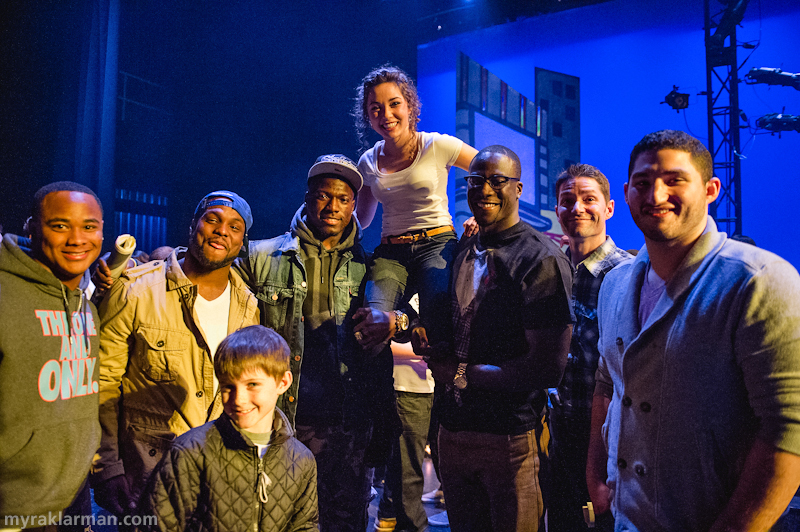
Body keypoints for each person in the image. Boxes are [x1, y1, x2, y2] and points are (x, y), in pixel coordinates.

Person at [586, 130, 800, 531]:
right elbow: (606, 384)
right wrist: (595, 478)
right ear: (627, 192)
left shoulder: (758, 281)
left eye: (674, 180)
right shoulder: (614, 285)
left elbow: (789, 428)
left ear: (711, 189)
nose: (656, 195)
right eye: (643, 183)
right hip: (626, 518)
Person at [235, 154, 406, 532]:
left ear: (353, 207)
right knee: (276, 521)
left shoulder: (375, 266)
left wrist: (397, 319)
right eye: (323, 196)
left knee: (343, 523)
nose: (332, 206)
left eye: (343, 199)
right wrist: (167, 260)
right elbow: (207, 277)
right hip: (281, 420)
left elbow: (414, 318)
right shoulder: (261, 256)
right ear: (308, 198)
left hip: (348, 424)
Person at [415, 146, 574, 532]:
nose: (485, 188)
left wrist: (460, 372)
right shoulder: (464, 248)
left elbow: (547, 368)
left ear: (518, 189)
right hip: (453, 431)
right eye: (475, 180)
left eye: (497, 180)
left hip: (509, 439)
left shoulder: (541, 258)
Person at [93, 191, 260, 519]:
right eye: (212, 219)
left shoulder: (248, 307)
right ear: (192, 226)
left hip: (216, 478)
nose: (221, 230)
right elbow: (103, 384)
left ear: (242, 242)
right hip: (146, 477)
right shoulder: (135, 292)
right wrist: (108, 468)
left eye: (234, 226)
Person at [138, 325, 318, 531]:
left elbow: (304, 526)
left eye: (252, 384)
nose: (238, 399)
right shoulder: (190, 453)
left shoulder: (302, 460)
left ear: (283, 382)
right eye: (228, 387)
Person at [0, 182, 104, 529]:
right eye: (60, 225)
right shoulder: (5, 293)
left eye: (89, 226)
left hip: (73, 497)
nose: (77, 239)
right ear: (31, 227)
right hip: (14, 506)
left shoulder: (85, 305)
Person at [353, 65, 478, 350]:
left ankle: (442, 383)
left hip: (436, 244)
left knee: (439, 330)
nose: (386, 115)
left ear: (410, 106)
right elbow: (362, 219)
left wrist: (481, 216)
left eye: (394, 104)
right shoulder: (367, 163)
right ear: (368, 117)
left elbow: (489, 165)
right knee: (369, 328)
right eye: (375, 108)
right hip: (391, 252)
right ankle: (379, 393)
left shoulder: (437, 145)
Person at [547, 164, 631, 532]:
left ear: (609, 208)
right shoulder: (553, 271)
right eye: (567, 201)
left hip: (610, 437)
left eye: (588, 199)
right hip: (559, 429)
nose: (577, 208)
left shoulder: (627, 275)